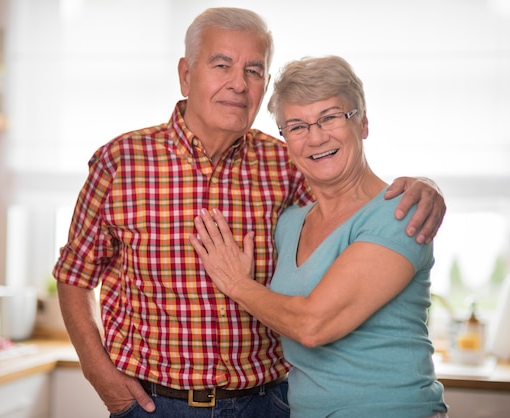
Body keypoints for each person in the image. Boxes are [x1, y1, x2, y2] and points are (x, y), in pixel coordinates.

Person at [53, 8, 446, 418]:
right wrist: (101, 376)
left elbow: (352, 195)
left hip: (269, 404)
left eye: (254, 71)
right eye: (222, 65)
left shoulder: (288, 159)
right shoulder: (121, 161)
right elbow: (75, 275)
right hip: (156, 405)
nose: (238, 84)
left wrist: (425, 187)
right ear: (186, 75)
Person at [189, 55, 449, 418]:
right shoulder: (289, 223)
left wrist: (238, 284)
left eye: (330, 117)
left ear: (363, 122)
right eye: (296, 126)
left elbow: (313, 325)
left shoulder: (400, 213)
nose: (315, 137)